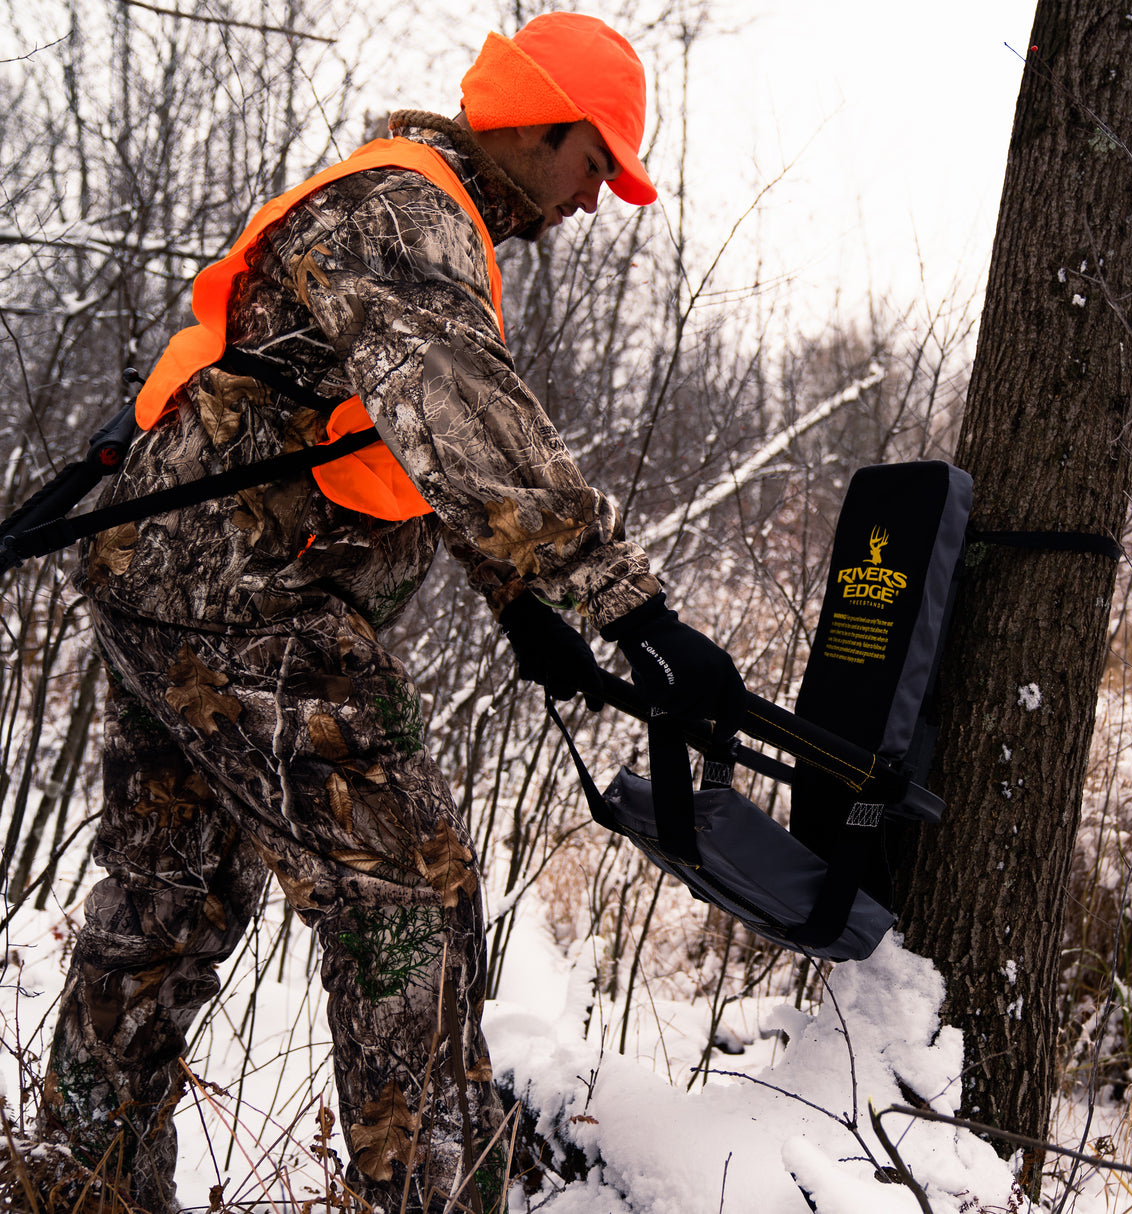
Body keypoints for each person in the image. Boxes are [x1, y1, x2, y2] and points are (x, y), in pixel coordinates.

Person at [35, 12, 745, 1213]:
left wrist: (521, 601)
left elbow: (399, 439)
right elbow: (457, 403)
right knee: (407, 889)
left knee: (166, 901)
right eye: (592, 166)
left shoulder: (422, 222)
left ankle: (71, 1182)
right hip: (240, 602)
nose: (590, 202)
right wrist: (632, 607)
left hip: (175, 585)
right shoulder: (400, 212)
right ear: (537, 120)